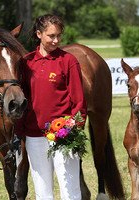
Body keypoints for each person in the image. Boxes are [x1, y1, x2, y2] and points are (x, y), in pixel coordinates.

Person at [16, 14, 87, 200]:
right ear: (39, 34)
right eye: (51, 36)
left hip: (63, 134)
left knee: (70, 189)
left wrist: (74, 128)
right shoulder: (26, 63)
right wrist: (20, 130)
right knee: (42, 191)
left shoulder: (68, 61)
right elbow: (22, 98)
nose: (56, 40)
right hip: (34, 135)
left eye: (59, 36)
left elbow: (79, 101)